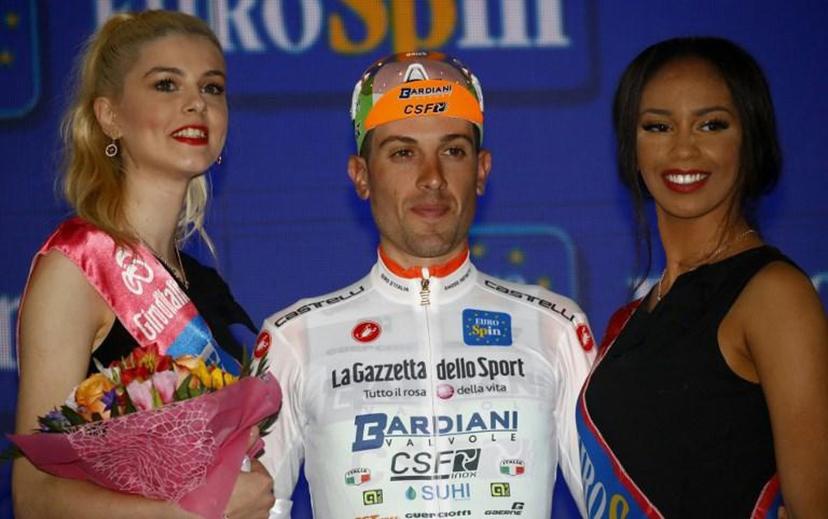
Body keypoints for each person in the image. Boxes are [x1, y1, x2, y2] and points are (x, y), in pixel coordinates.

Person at [258, 51, 596, 518]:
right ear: (361, 176)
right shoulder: (294, 339)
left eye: (453, 151)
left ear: (481, 171)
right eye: (402, 153)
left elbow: (613, 509)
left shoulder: (556, 328)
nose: (431, 178)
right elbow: (251, 508)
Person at [12, 10, 274, 518]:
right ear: (110, 116)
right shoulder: (77, 267)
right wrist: (189, 512)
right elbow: (33, 495)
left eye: (212, 88)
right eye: (166, 85)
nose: (196, 103)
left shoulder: (203, 285)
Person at [577, 37, 828, 518]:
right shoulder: (632, 318)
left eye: (712, 124)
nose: (684, 148)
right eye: (658, 126)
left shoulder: (773, 296)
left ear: (750, 140)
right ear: (631, 148)